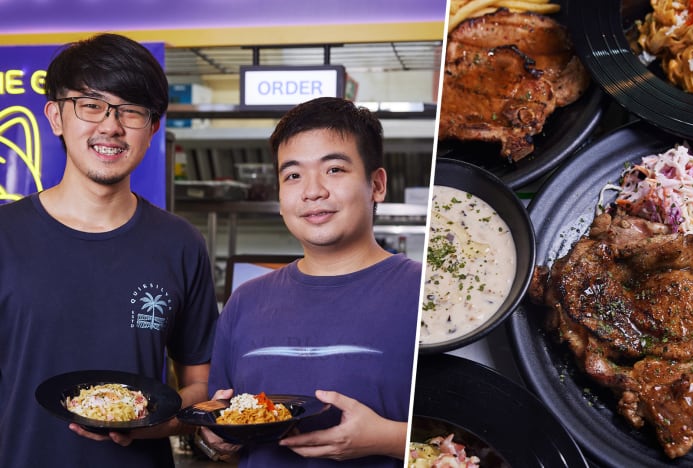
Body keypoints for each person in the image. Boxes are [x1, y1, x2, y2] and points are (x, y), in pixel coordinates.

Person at [0, 33, 218, 467]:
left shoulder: (181, 244)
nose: (110, 126)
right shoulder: (4, 235)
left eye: (131, 111)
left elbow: (202, 386)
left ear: (153, 128)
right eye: (91, 105)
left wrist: (162, 423)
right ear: (56, 116)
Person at [199, 97, 422, 467]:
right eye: (293, 175)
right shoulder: (245, 301)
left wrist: (389, 439)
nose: (312, 191)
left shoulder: (419, 291)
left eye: (334, 169)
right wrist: (216, 440)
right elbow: (219, 425)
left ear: (377, 185)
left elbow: (468, 428)